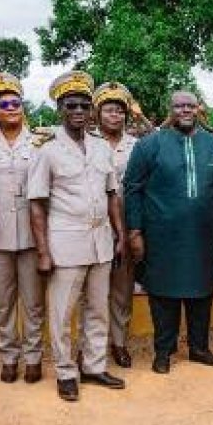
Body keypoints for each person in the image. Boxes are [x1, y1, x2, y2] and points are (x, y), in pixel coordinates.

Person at [28, 71, 127, 402]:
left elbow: (112, 194)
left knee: (97, 308)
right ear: (60, 108)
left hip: (101, 242)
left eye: (85, 105)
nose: (80, 111)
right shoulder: (46, 149)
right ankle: (66, 371)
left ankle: (94, 366)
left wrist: (120, 234)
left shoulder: (100, 147)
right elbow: (37, 204)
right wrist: (43, 251)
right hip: (64, 242)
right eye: (72, 105)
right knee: (62, 311)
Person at [124, 91, 213, 374]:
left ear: (198, 108)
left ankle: (199, 348)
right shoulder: (149, 145)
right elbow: (132, 189)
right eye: (179, 106)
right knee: (163, 294)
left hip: (205, 236)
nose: (185, 110)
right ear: (170, 109)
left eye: (190, 105)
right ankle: (164, 351)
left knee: (202, 292)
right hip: (161, 236)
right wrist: (135, 230)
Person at [0, 72, 45, 384]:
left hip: (33, 235)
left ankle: (33, 358)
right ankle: (8, 356)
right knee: (3, 302)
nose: (10, 107)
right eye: (3, 104)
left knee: (33, 301)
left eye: (15, 102)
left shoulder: (42, 142)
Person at [92, 81, 138, 369]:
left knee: (122, 288)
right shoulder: (86, 141)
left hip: (127, 223)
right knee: (94, 291)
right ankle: (92, 346)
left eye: (120, 111)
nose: (115, 116)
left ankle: (119, 342)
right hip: (95, 225)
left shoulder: (137, 145)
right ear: (98, 114)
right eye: (109, 110)